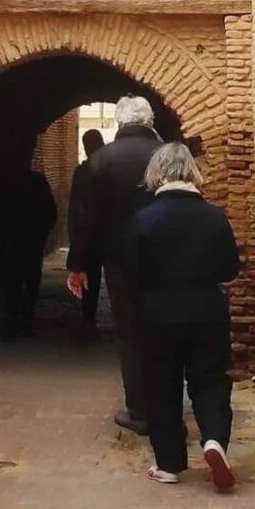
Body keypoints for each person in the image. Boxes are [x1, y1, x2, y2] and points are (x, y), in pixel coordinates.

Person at [126, 142, 241, 492]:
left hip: (158, 313)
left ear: (156, 173)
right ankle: (215, 441)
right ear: (192, 172)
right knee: (209, 380)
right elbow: (230, 269)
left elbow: (133, 273)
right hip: (207, 308)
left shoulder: (143, 220)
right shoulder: (214, 217)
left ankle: (169, 463)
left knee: (161, 384)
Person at [67, 95, 161, 434]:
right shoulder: (170, 157)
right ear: (150, 119)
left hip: (120, 261)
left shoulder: (99, 162)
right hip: (166, 259)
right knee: (165, 330)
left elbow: (84, 219)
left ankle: (140, 411)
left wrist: (78, 263)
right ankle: (167, 407)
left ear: (120, 122)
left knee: (131, 333)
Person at [0, 165, 57, 339]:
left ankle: (11, 322)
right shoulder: (37, 182)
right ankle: (26, 321)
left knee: (13, 282)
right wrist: (43, 232)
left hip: (13, 240)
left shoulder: (7, 182)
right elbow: (50, 210)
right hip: (32, 240)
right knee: (31, 281)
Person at [68, 129, 105, 338]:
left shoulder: (84, 171)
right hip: (109, 233)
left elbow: (78, 210)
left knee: (89, 276)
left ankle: (88, 318)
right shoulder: (110, 169)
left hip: (90, 235)